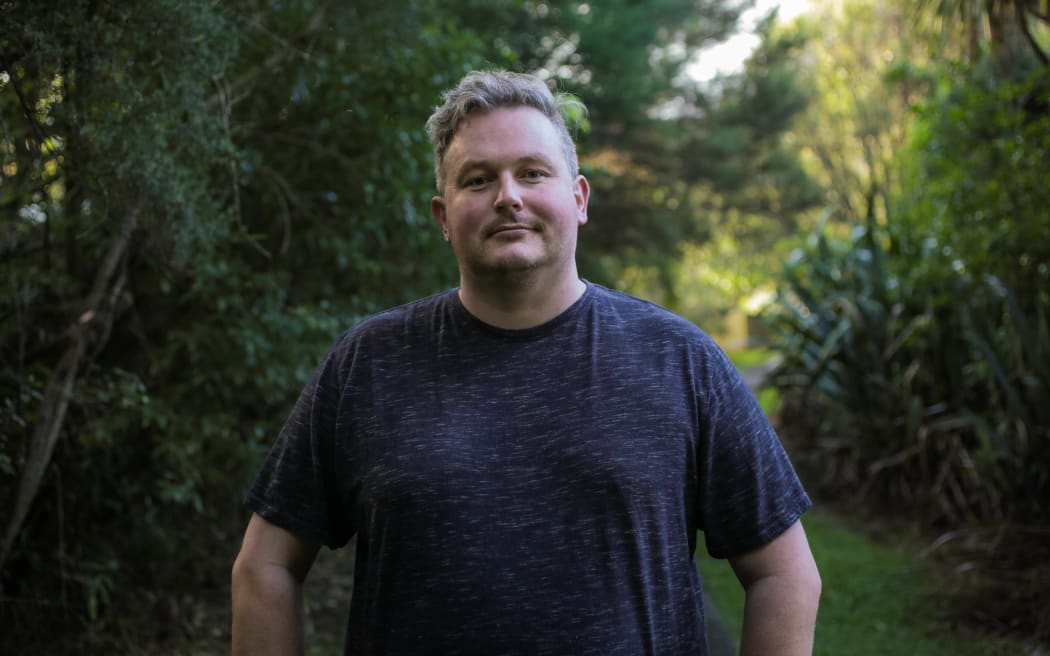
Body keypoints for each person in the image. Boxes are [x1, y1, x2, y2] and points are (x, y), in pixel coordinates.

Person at [231, 70, 821, 656]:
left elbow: (785, 572)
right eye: (478, 179)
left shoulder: (681, 361)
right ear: (443, 216)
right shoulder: (367, 365)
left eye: (532, 173)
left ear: (579, 198)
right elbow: (264, 567)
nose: (508, 196)